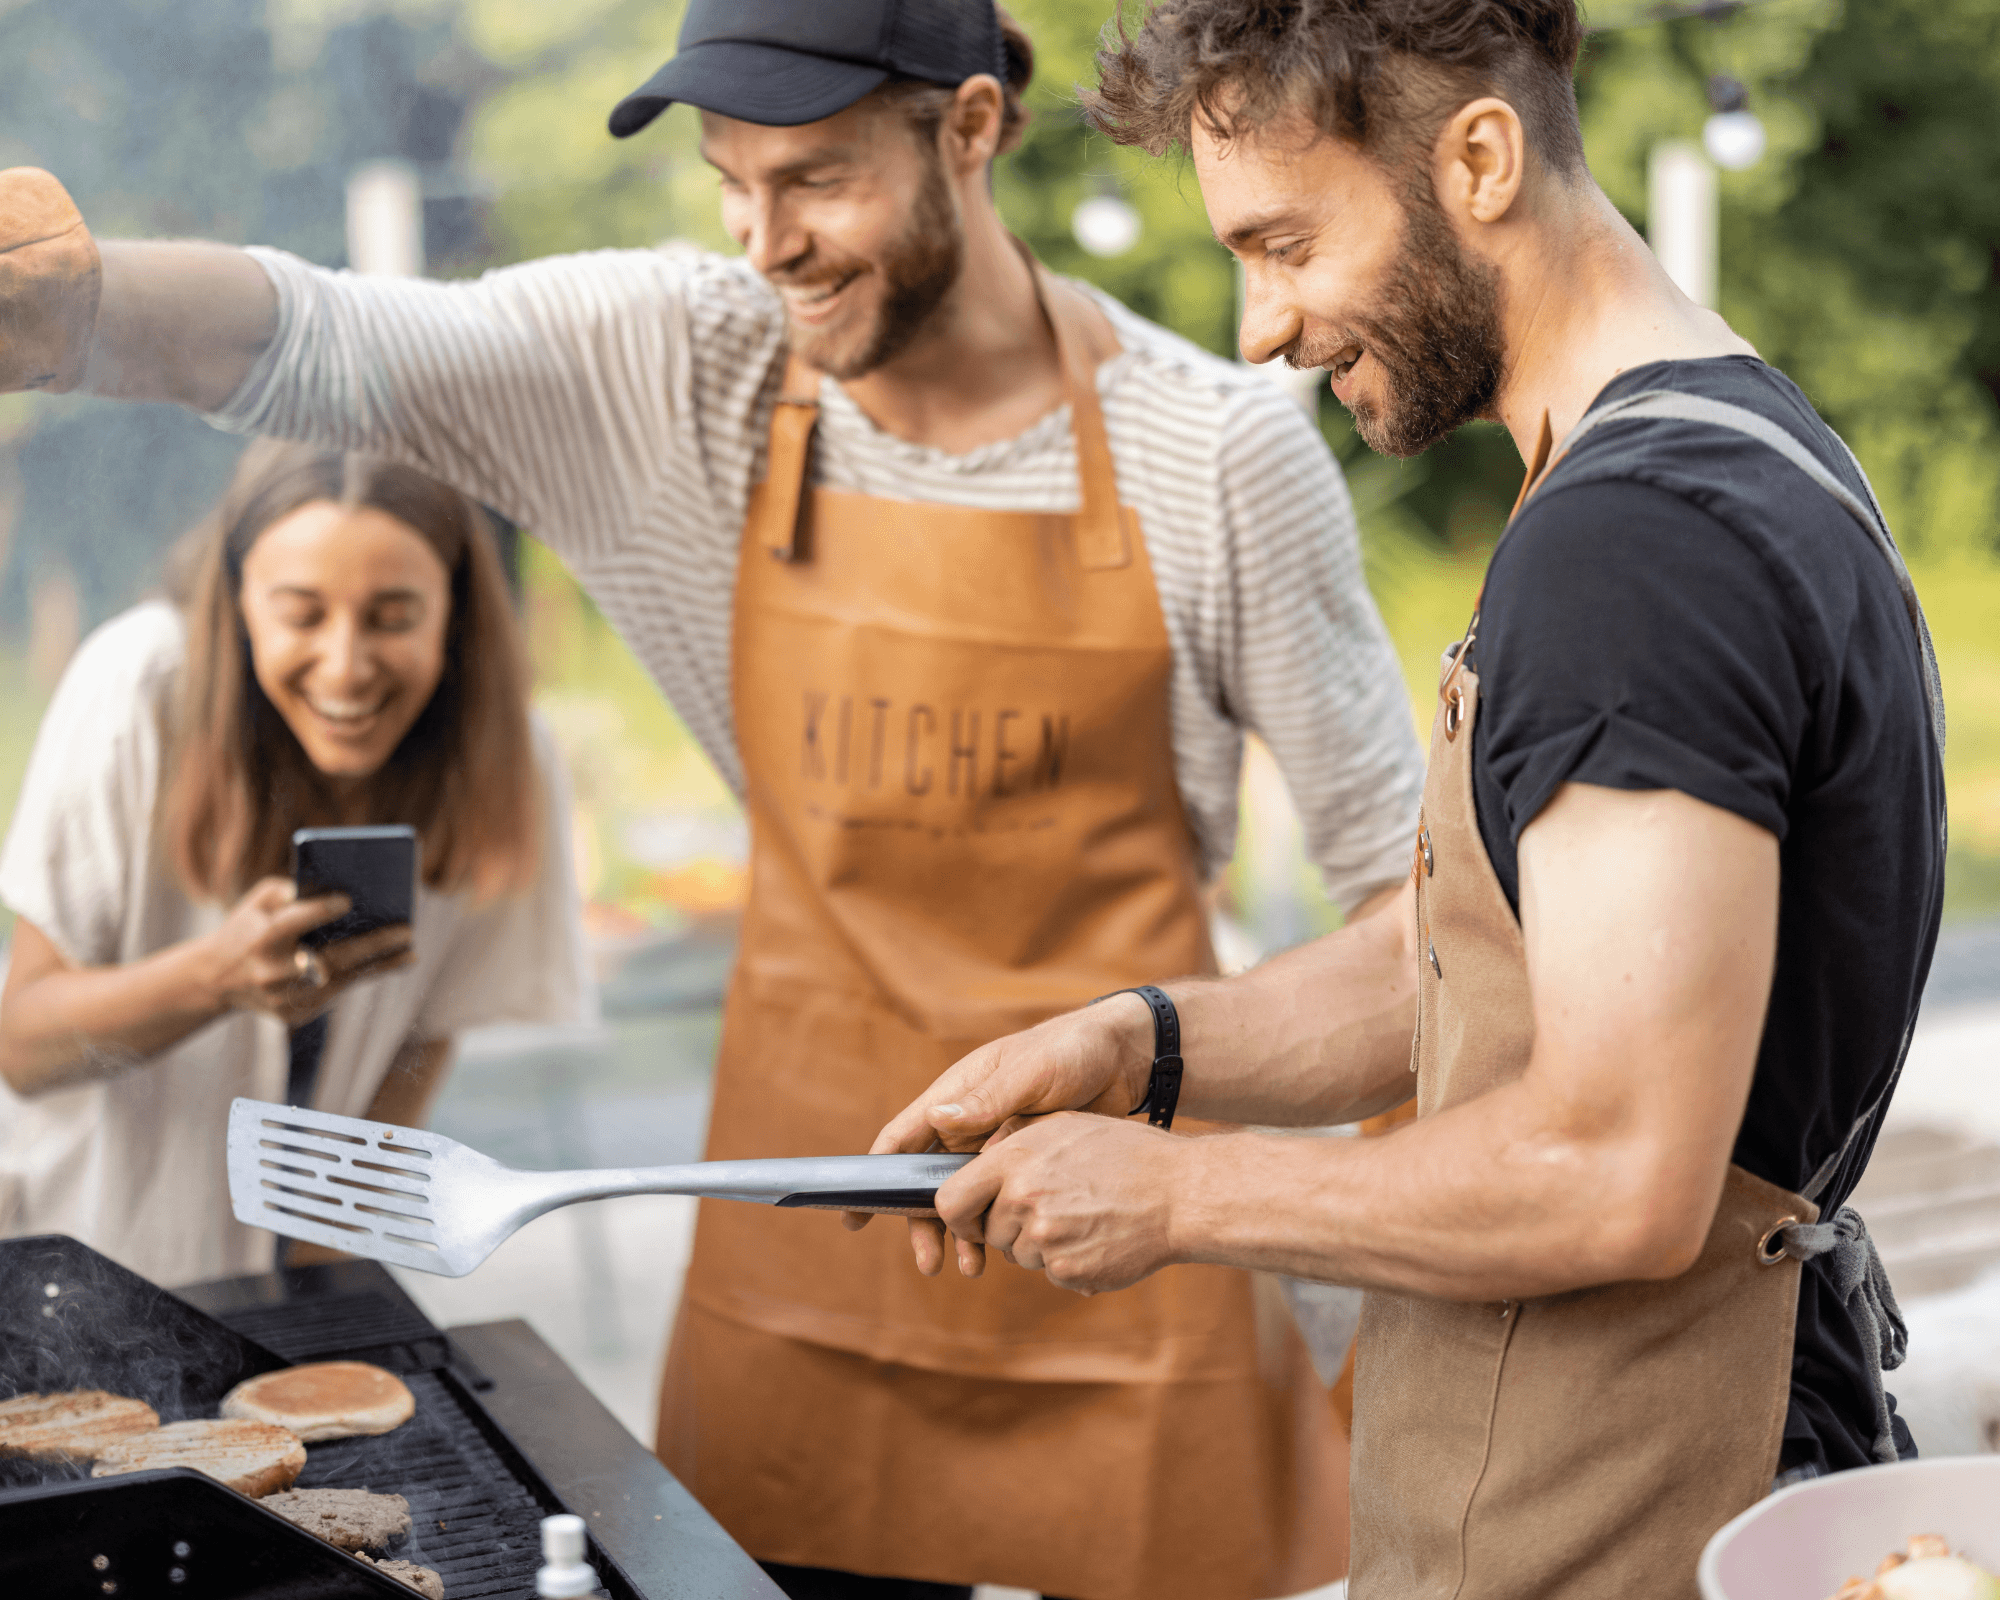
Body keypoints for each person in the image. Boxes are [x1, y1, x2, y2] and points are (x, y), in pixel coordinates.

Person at [0, 2, 1426, 1592]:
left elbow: (1403, 902)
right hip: (803, 1276)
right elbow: (336, 339)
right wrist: (79, 308)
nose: (768, 241)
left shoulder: (1215, 449)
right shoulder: (684, 370)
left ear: (967, 129)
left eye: (814, 179)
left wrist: (1381, 1294)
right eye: (730, 182)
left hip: (1131, 1264)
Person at [862, 2, 1947, 1595]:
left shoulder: (1640, 548)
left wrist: (1182, 1193)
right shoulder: (1720, 448)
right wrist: (1143, 1046)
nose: (1258, 326)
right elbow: (1475, 954)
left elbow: (1618, 1164)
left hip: (1651, 1516)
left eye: (1287, 242)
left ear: (1482, 160)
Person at [0, 440, 592, 1289]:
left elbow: (422, 1041)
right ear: (237, 603)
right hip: (89, 1270)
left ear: (454, 615)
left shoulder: (507, 758)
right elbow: (22, 1047)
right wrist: (213, 978)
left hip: (292, 1278)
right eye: (302, 614)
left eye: (393, 617)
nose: (346, 665)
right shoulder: (138, 689)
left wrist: (323, 1271)